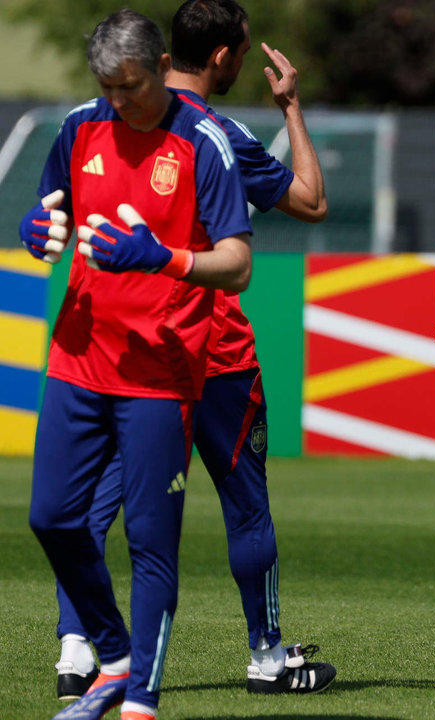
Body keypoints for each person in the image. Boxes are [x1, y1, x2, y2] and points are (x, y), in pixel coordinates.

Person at [48, 0, 335, 703]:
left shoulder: (98, 121)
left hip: (126, 346)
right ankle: (266, 656)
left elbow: (58, 209)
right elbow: (309, 201)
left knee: (89, 505)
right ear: (225, 57)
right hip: (212, 350)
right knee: (246, 506)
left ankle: (79, 649)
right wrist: (291, 106)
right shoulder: (217, 133)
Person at [21, 9, 253, 720]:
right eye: (106, 88)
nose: (117, 102)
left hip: (160, 371)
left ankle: (139, 700)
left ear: (157, 65)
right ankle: (113, 656)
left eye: (127, 87)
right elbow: (50, 209)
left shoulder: (204, 141)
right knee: (52, 520)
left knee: (150, 540)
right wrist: (40, 232)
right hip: (77, 357)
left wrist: (166, 258)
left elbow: (238, 265)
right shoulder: (79, 126)